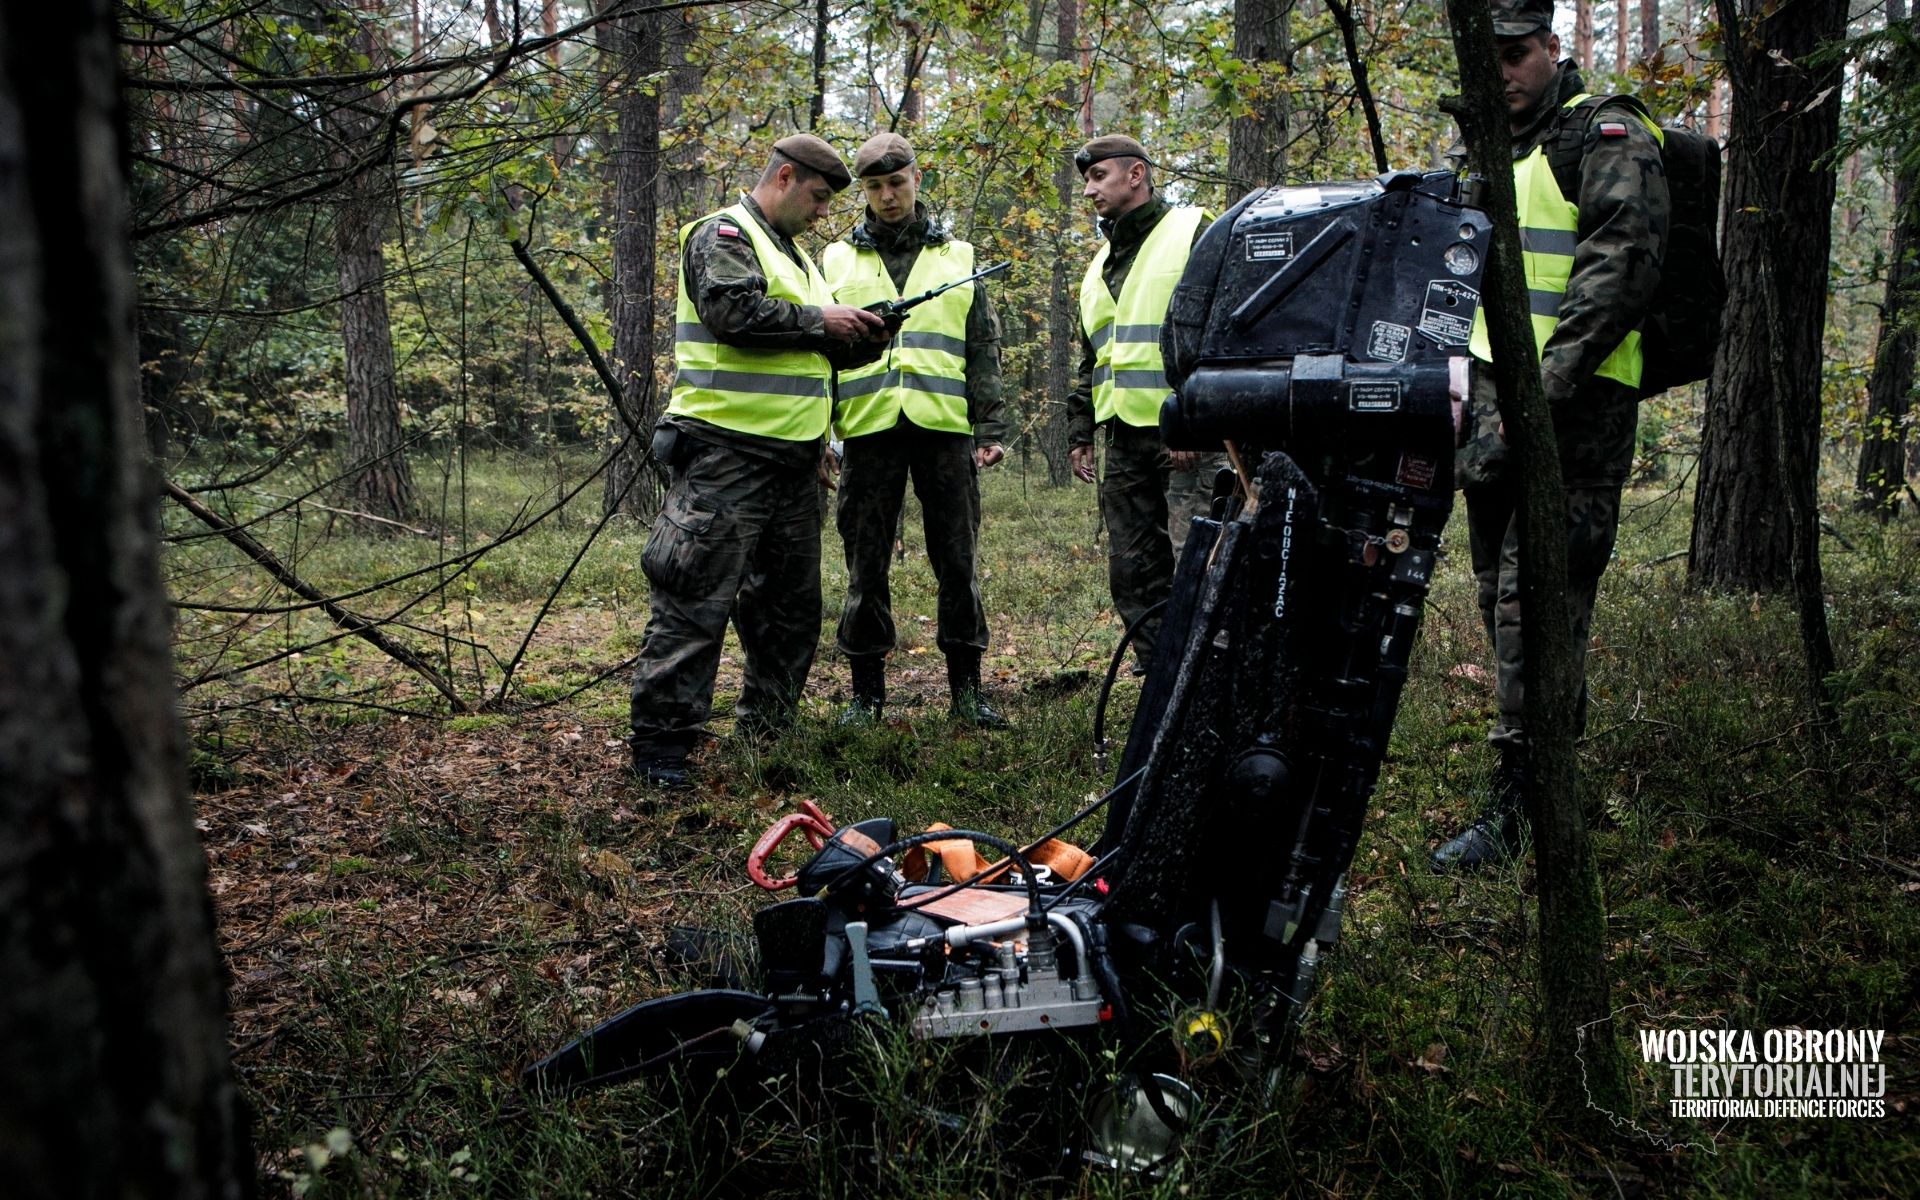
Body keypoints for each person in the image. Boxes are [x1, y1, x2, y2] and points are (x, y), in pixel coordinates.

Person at [1431, 0, 1669, 869]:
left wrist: (1547, 388)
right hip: (1491, 410)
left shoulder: (1603, 136)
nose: (1504, 71)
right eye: (1489, 55)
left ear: (1552, 47)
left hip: (1576, 413)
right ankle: (1540, 780)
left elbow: (1622, 266)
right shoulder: (1488, 149)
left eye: (1518, 54)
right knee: (1501, 599)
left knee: (1539, 607)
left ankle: (1524, 805)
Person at [628, 134, 889, 788]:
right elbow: (731, 311)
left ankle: (768, 733)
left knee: (788, 612)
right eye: (819, 197)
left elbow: (806, 350)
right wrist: (821, 322)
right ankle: (664, 750)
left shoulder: (796, 259)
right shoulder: (723, 233)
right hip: (725, 457)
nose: (823, 213)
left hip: (795, 467)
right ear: (785, 177)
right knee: (694, 600)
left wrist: (863, 335)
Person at [821, 132, 1010, 728]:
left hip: (944, 428)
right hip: (866, 430)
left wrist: (991, 426)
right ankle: (866, 695)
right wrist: (824, 434)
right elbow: (818, 354)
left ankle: (967, 691)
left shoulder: (960, 255)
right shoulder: (833, 259)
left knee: (957, 560)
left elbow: (982, 345)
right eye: (874, 187)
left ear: (916, 179)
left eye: (896, 183)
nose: (886, 197)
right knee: (864, 562)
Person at [1064, 135, 1224, 671]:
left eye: (1099, 177)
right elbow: (1095, 356)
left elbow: (1224, 331)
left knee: (1197, 562)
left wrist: (1198, 422)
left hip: (1186, 437)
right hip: (1124, 440)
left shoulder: (1192, 231)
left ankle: (1207, 675)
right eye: (1086, 179)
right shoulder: (1098, 266)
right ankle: (1160, 673)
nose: (1089, 190)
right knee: (1131, 568)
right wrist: (1080, 430)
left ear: (1136, 175)